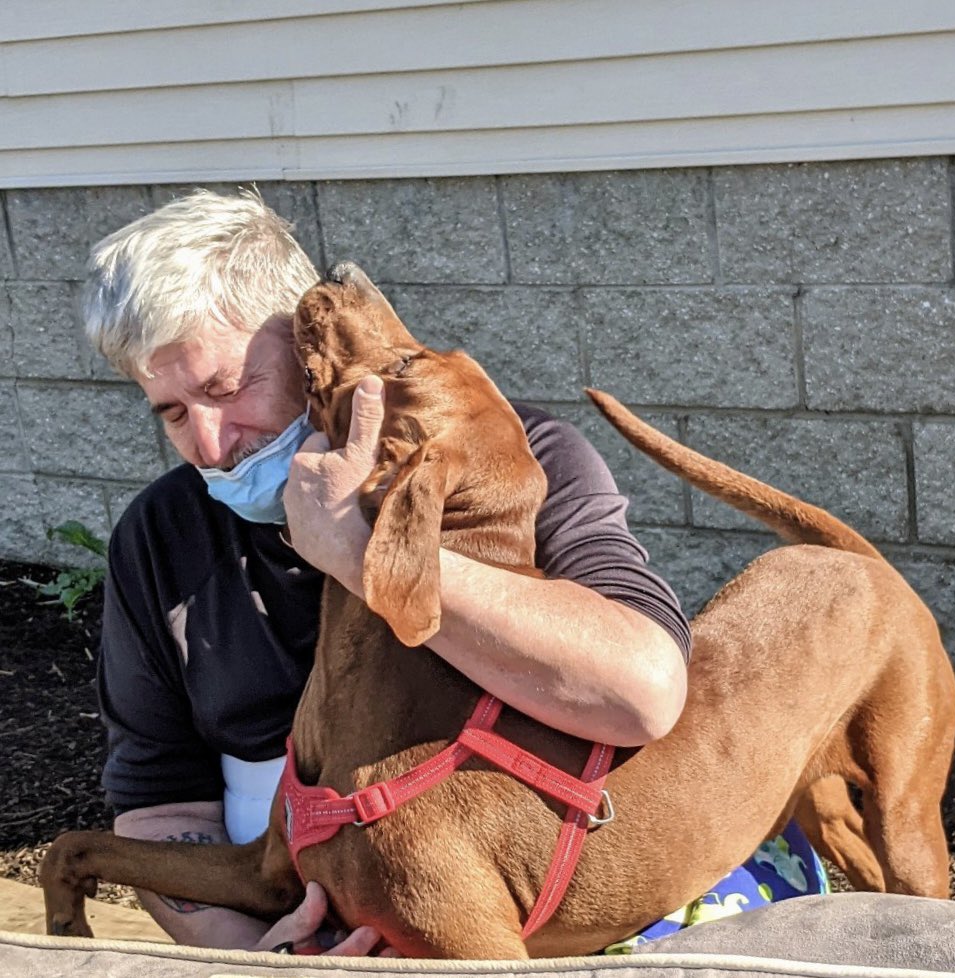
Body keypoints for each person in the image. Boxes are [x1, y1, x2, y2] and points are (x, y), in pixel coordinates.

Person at [82, 189, 695, 954]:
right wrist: (254, 958)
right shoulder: (161, 533)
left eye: (225, 388)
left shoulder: (510, 460)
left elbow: (639, 692)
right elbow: (159, 804)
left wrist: (358, 554)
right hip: (275, 915)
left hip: (525, 916)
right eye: (171, 412)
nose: (209, 445)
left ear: (308, 345)